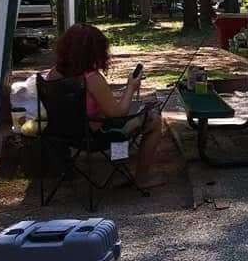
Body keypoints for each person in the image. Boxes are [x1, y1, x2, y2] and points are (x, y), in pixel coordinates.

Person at [48, 23, 165, 189]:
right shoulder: (92, 78)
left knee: (124, 120)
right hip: (95, 136)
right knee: (153, 119)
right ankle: (142, 178)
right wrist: (130, 87)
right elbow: (117, 113)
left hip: (67, 133)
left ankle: (119, 165)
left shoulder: (54, 73)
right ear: (95, 51)